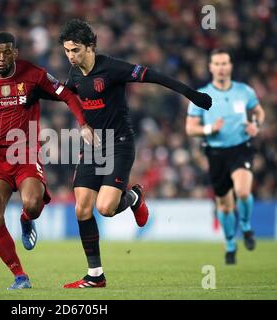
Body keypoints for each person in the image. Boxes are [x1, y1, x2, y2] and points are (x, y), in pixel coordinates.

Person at [32, 19, 212, 288]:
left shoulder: (112, 68)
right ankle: (95, 275)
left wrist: (191, 94)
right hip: (92, 146)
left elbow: (154, 76)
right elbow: (66, 93)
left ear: (90, 47)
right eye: (67, 51)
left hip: (119, 143)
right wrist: (32, 94)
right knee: (82, 208)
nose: (70, 56)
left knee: (105, 208)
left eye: (76, 50)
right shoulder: (76, 75)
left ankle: (134, 196)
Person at [0, 31, 96, 290]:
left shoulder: (33, 75)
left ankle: (25, 218)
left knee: (33, 204)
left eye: (6, 52)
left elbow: (66, 94)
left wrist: (83, 123)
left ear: (15, 53)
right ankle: (20, 276)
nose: (1, 57)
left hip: (25, 153)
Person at [186, 48, 265, 265]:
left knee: (242, 190)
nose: (221, 68)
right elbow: (191, 128)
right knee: (224, 205)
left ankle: (247, 226)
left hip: (240, 148)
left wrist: (255, 125)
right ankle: (230, 243)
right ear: (210, 67)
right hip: (216, 152)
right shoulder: (201, 95)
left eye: (225, 63)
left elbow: (259, 112)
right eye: (217, 64)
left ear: (230, 66)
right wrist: (210, 128)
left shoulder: (244, 91)